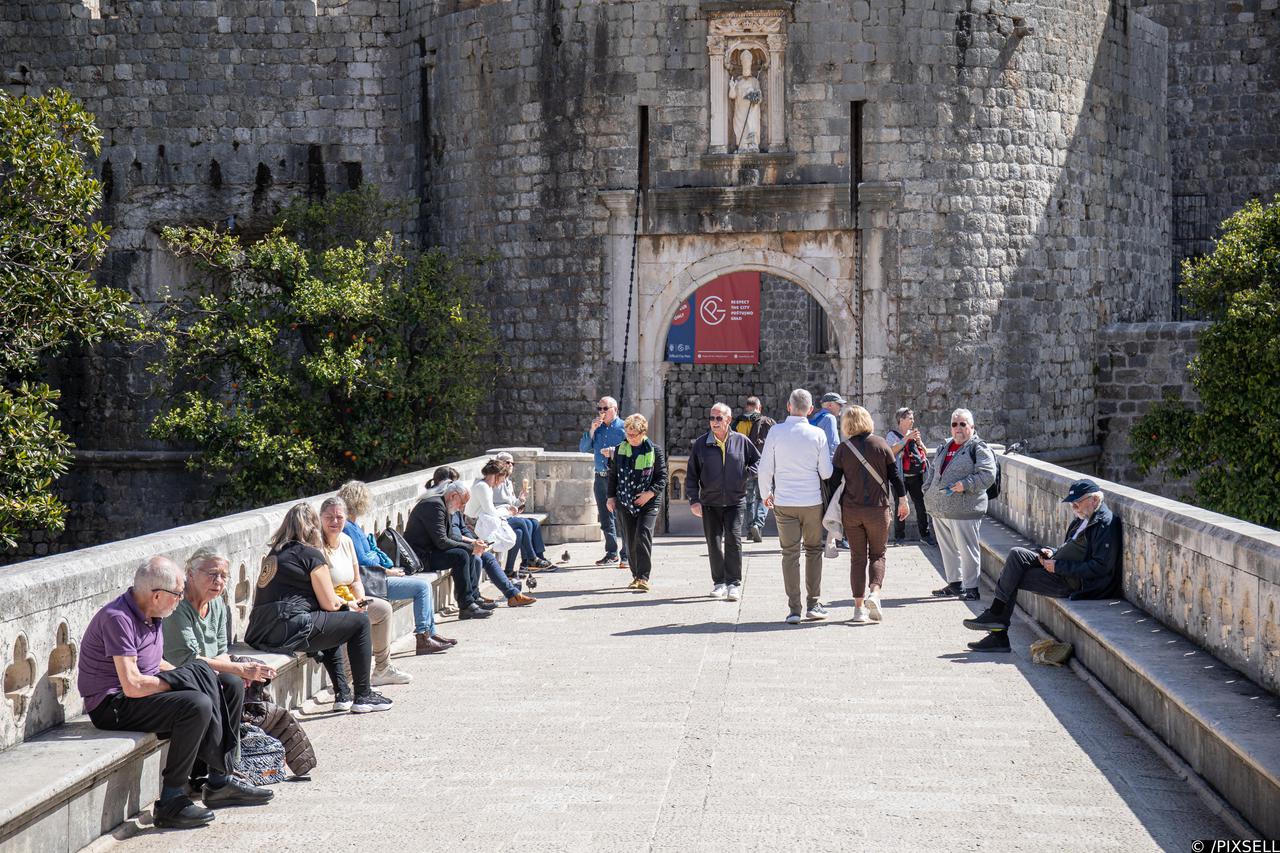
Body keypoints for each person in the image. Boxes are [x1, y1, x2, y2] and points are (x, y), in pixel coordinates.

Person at [82, 556, 273, 830]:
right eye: (178, 593)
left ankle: (219, 782)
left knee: (227, 683)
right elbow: (132, 685)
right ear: (157, 595)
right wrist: (177, 681)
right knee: (195, 705)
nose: (181, 598)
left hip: (140, 692)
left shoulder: (153, 613)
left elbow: (155, 663)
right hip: (112, 705)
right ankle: (171, 800)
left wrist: (195, 675)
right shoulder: (118, 619)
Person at [246, 503, 393, 713]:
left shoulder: (275, 554)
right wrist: (350, 605)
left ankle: (343, 693)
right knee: (359, 622)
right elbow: (330, 603)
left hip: (262, 630)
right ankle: (363, 695)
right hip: (290, 627)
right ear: (314, 526)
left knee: (329, 621)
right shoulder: (310, 554)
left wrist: (341, 606)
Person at [963, 479, 1123, 652]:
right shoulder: (1083, 518)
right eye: (1072, 503)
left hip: (1074, 583)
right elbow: (1069, 548)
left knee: (1013, 576)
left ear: (1094, 500)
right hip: (1059, 569)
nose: (1074, 507)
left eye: (1078, 501)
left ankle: (998, 630)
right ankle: (997, 623)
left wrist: (1058, 566)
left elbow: (1101, 567)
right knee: (1017, 554)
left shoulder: (1105, 523)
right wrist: (1051, 552)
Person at [337, 480, 454, 655]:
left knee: (424, 585)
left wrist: (374, 556)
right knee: (421, 586)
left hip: (373, 577)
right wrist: (386, 569)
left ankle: (430, 633)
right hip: (371, 581)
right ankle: (423, 637)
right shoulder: (348, 528)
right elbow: (363, 559)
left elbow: (368, 555)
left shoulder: (352, 526)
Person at [318, 496, 413, 687]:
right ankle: (349, 679)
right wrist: (349, 604)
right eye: (329, 517)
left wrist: (360, 599)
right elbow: (321, 588)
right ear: (320, 518)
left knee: (383, 609)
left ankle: (382, 668)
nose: (334, 522)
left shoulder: (346, 540)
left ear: (346, 518)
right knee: (351, 618)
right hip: (328, 600)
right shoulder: (317, 545)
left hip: (350, 595)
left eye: (339, 517)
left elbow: (355, 579)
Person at [826, 406, 908, 623]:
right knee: (878, 555)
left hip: (851, 512)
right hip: (878, 511)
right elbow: (896, 477)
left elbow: (833, 483)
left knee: (857, 558)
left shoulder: (843, 449)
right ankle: (875, 593)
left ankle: (858, 609)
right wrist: (903, 500)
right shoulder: (881, 444)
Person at [758, 388, 834, 624]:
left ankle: (793, 609)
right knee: (813, 551)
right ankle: (813, 604)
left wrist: (765, 494)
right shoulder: (818, 434)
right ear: (811, 410)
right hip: (812, 502)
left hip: (784, 502)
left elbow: (764, 468)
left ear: (788, 406)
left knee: (789, 554)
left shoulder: (776, 432)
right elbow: (826, 472)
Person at [922, 408, 998, 601]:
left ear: (972, 427)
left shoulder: (978, 447)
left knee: (967, 549)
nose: (958, 428)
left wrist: (965, 484)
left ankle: (972, 588)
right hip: (941, 509)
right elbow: (933, 470)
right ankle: (955, 584)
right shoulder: (945, 445)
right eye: (954, 424)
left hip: (966, 509)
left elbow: (988, 475)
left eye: (963, 424)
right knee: (947, 548)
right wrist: (927, 488)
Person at [687, 402, 760, 601]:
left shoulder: (741, 441)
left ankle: (734, 583)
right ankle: (719, 583)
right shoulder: (701, 444)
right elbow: (692, 475)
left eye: (719, 418)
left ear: (728, 419)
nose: (714, 422)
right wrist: (694, 500)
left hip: (736, 501)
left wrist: (747, 473)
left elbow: (758, 461)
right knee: (714, 543)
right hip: (709, 503)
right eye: (712, 418)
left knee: (734, 541)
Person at [404, 482, 492, 620]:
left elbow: (450, 535)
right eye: (461, 503)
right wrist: (470, 548)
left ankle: (470, 601)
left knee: (465, 553)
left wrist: (472, 542)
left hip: (430, 551)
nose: (461, 508)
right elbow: (442, 541)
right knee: (461, 555)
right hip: (421, 557)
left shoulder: (444, 504)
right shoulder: (434, 505)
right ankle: (466, 605)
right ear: (453, 495)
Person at [461, 462, 539, 608]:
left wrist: (508, 509)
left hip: (481, 526)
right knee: (520, 525)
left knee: (519, 530)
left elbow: (490, 512)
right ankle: (528, 564)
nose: (503, 481)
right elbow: (490, 512)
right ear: (497, 475)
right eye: (503, 477)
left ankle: (512, 594)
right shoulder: (483, 487)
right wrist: (509, 511)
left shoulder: (485, 487)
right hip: (476, 528)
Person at [607, 413, 667, 592]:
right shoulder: (619, 450)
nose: (630, 438)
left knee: (642, 536)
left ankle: (643, 577)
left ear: (643, 433)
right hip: (625, 501)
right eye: (627, 434)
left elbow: (662, 477)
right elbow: (613, 475)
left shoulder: (654, 451)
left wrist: (649, 494)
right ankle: (635, 575)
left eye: (633, 434)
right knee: (630, 540)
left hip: (648, 501)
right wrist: (611, 497)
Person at [579, 396, 629, 568]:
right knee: (606, 517)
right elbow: (583, 448)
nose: (601, 412)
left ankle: (626, 554)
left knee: (623, 516)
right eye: (599, 409)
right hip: (600, 477)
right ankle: (611, 552)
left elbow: (633, 450)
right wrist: (592, 431)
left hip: (619, 478)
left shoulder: (624, 428)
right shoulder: (597, 429)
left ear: (615, 409)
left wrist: (614, 452)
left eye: (605, 409)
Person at [492, 451, 555, 571]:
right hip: (500, 516)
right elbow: (495, 505)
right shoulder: (495, 481)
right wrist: (510, 509)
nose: (510, 465)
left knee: (533, 522)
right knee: (523, 524)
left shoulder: (508, 482)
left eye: (512, 463)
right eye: (507, 462)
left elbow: (511, 503)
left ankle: (536, 557)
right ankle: (530, 559)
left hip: (508, 514)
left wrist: (521, 499)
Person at [885, 407, 932, 545]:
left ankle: (925, 534)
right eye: (910, 418)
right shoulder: (892, 435)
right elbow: (891, 451)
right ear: (901, 420)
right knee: (900, 506)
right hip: (899, 477)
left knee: (920, 505)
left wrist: (919, 442)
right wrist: (906, 438)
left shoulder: (914, 434)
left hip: (916, 476)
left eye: (913, 418)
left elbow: (925, 452)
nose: (913, 421)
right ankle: (900, 538)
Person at [732, 395, 775, 542]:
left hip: (745, 467)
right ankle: (757, 524)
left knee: (749, 498)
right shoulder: (768, 422)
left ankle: (751, 529)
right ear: (759, 408)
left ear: (746, 407)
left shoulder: (737, 423)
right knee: (764, 496)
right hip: (764, 466)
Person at [808, 392, 844, 462]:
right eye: (839, 404)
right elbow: (833, 444)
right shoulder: (830, 418)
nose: (841, 407)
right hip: (825, 463)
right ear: (830, 405)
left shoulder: (816, 416)